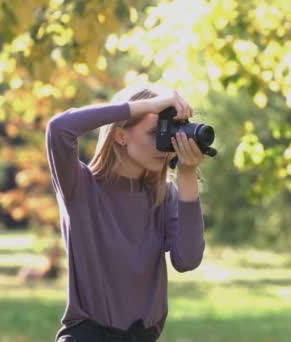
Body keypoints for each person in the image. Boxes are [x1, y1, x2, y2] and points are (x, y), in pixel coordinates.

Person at [45, 83, 206, 342]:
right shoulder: (81, 186)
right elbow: (59, 129)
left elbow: (187, 260)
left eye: (168, 133)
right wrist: (148, 106)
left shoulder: (165, 196)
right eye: (155, 132)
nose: (164, 144)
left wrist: (187, 175)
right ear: (121, 136)